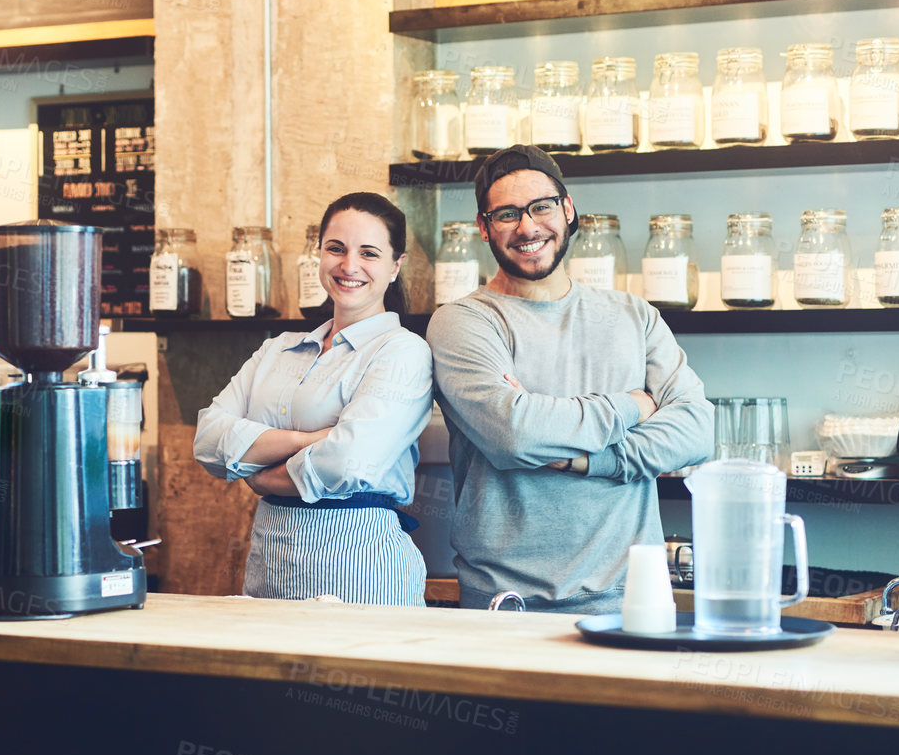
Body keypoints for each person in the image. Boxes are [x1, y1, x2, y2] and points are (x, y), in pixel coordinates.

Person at [426, 145, 714, 613]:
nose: (528, 226)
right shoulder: (463, 323)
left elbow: (697, 430)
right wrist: (634, 406)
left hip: (632, 601)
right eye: (506, 214)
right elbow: (514, 433)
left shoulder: (633, 315)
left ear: (567, 209)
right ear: (484, 227)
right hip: (507, 605)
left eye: (541, 206)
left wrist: (583, 460)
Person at [193, 192, 433, 605]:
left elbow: (347, 461)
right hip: (270, 556)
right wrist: (310, 441)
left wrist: (260, 472)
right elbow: (209, 440)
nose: (349, 265)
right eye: (335, 249)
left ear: (396, 266)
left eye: (369, 253)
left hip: (361, 566)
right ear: (319, 254)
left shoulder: (403, 351)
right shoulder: (277, 349)